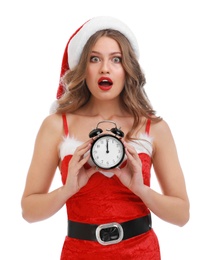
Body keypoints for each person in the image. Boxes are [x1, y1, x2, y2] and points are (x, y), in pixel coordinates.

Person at [21, 16, 190, 259]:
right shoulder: (56, 126)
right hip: (79, 253)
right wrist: (67, 189)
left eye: (116, 59)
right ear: (82, 67)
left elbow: (182, 215)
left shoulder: (155, 127)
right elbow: (29, 211)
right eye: (95, 58)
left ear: (127, 68)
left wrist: (141, 190)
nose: (105, 68)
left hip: (141, 252)